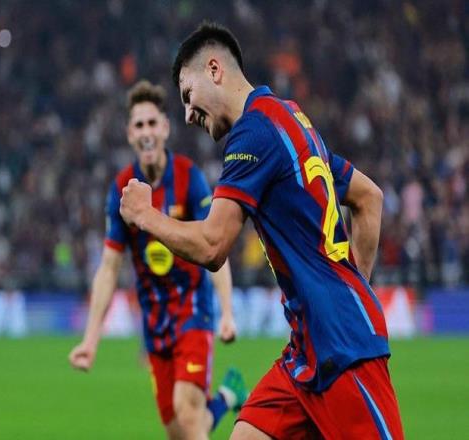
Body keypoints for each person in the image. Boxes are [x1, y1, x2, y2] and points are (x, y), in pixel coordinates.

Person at [119, 23, 404, 439]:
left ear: (214, 69)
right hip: (306, 353)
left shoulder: (253, 132)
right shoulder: (290, 118)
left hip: (344, 350)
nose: (188, 114)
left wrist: (145, 215)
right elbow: (368, 197)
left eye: (188, 95)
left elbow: (212, 246)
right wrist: (350, 288)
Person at [69, 79, 248, 440]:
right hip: (155, 325)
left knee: (187, 410)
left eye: (152, 123)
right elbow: (109, 268)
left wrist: (227, 312)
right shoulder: (122, 189)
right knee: (178, 430)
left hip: (193, 311)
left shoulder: (188, 178)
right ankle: (229, 396)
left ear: (165, 128)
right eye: (139, 125)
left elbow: (214, 245)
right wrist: (90, 339)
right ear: (129, 134)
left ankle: (222, 397)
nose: (146, 132)